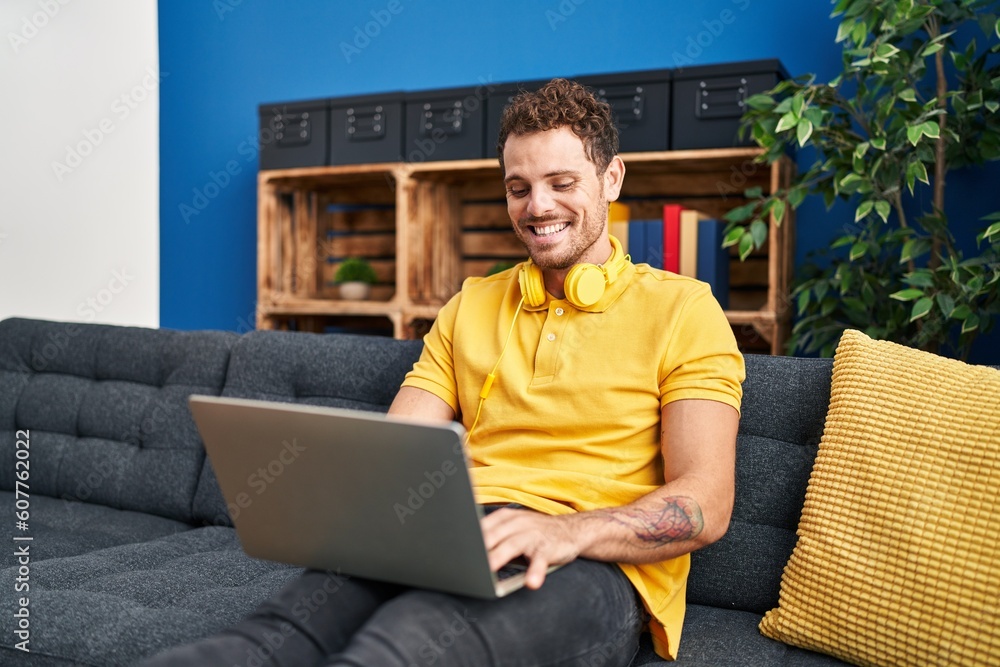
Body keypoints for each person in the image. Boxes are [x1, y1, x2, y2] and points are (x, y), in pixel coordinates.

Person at [143, 77, 744, 666]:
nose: (538, 207)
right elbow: (396, 453)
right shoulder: (470, 305)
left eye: (562, 182)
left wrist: (569, 533)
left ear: (611, 178)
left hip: (594, 564)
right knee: (263, 641)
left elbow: (705, 504)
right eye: (518, 187)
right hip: (447, 537)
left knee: (398, 649)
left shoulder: (685, 309)